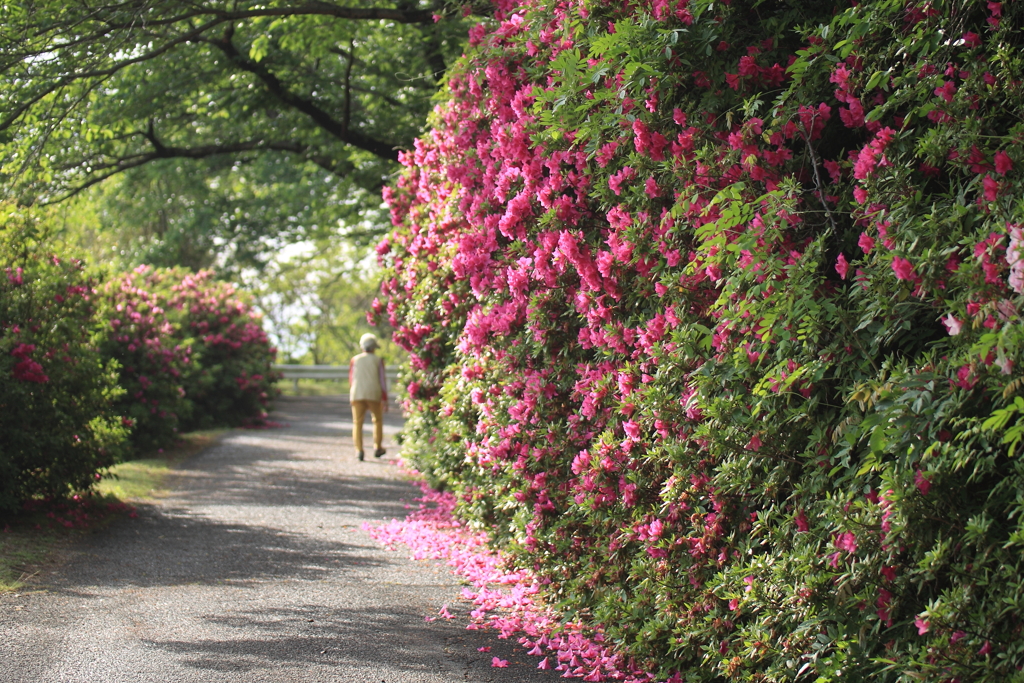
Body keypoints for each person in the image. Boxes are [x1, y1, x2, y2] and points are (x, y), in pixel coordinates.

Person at [349, 333, 388, 461]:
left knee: (357, 422)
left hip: (357, 393)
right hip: (373, 393)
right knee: (377, 420)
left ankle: (359, 450)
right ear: (374, 347)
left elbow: (351, 379)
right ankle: (377, 446)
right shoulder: (378, 360)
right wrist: (385, 398)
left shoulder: (355, 360)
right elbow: (382, 380)